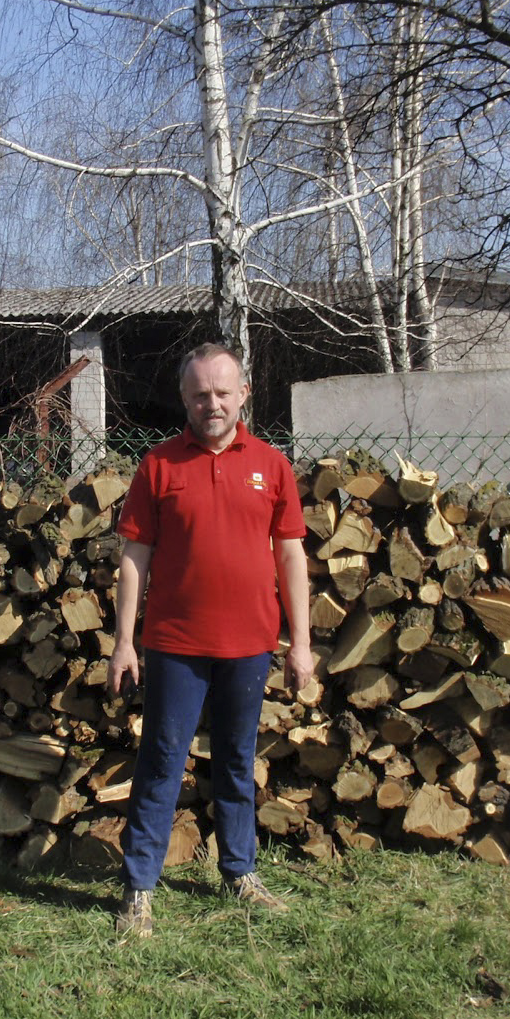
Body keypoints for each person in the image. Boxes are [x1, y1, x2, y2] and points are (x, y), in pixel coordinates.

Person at [107, 342, 315, 937]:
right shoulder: (159, 466)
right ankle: (140, 888)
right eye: (200, 394)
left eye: (223, 392)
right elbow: (134, 558)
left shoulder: (272, 465)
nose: (212, 404)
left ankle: (240, 873)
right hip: (174, 644)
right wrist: (125, 642)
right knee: (162, 763)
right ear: (185, 399)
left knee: (235, 761)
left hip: (250, 645)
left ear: (243, 394)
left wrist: (299, 642)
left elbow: (291, 554)